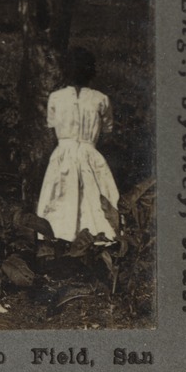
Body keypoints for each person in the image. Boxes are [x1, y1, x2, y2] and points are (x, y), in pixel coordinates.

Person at [36, 48, 120, 242]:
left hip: (63, 154)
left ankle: (59, 239)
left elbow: (51, 128)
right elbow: (107, 132)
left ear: (65, 71)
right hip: (90, 153)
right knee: (93, 197)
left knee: (60, 195)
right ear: (92, 72)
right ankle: (95, 239)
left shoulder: (56, 98)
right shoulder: (101, 99)